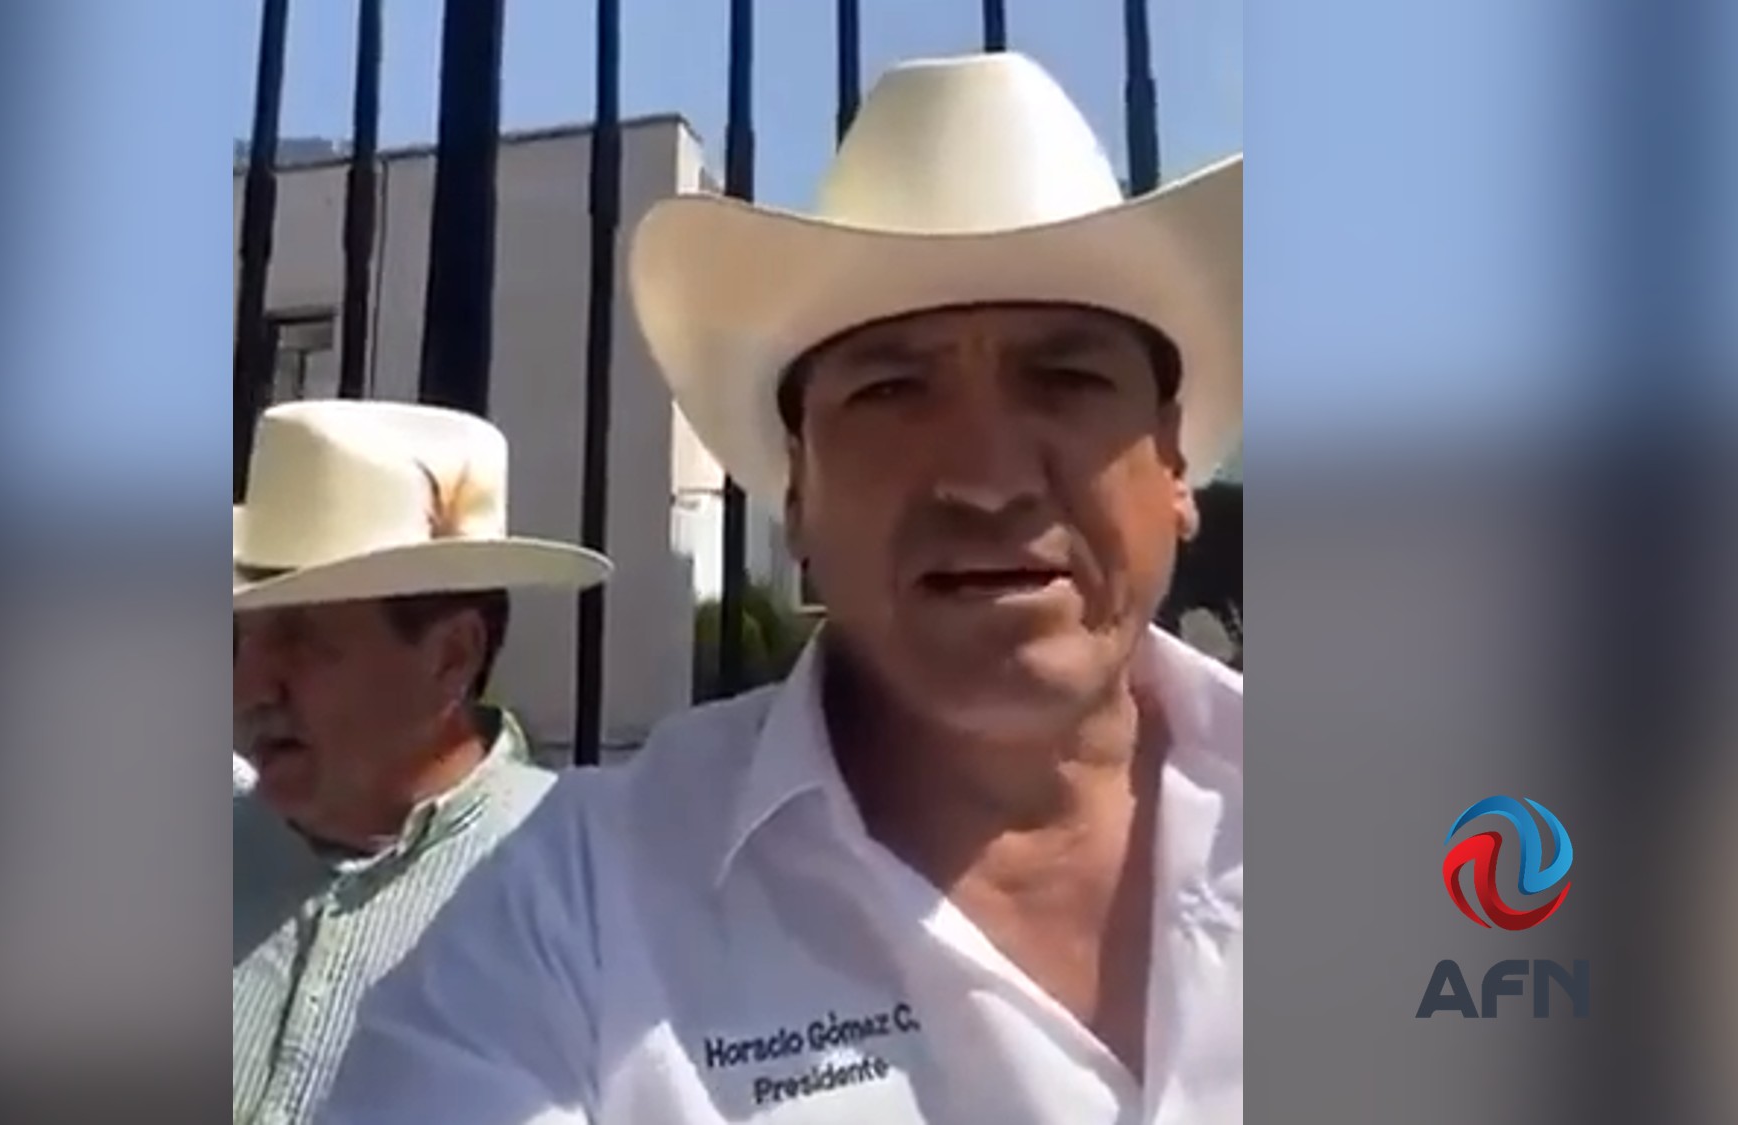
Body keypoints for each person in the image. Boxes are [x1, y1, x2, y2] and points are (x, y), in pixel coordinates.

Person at [323, 51, 1243, 1124]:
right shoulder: (572, 910)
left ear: (1173, 464)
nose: (987, 478)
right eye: (892, 388)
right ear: (796, 491)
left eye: (1067, 377)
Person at [231, 400, 610, 1124]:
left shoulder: (575, 886)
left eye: (301, 638)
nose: (249, 687)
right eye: (241, 639)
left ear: (452, 657)